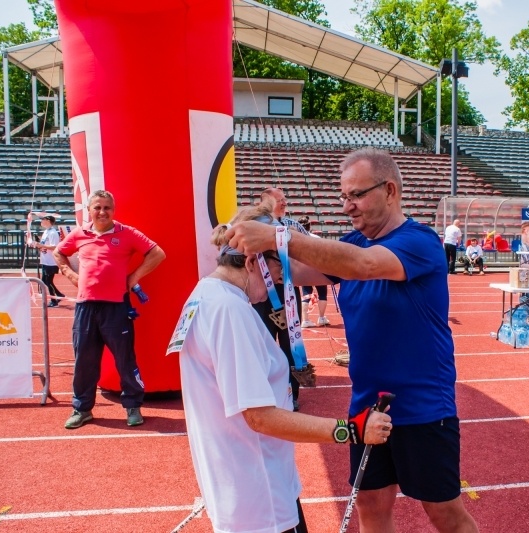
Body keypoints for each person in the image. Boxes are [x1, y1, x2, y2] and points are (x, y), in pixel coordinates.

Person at [225, 148, 479, 533]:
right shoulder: (351, 242)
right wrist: (246, 246)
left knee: (443, 513)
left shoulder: (420, 242)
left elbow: (363, 265)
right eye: (344, 196)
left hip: (423, 407)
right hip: (366, 404)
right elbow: (299, 270)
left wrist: (278, 235)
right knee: (370, 506)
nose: (348, 206)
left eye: (357, 195)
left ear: (390, 190)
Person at [172, 204, 392, 533]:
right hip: (259, 500)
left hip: (254, 485)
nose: (284, 277)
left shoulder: (208, 295)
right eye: (280, 266)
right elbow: (259, 416)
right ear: (251, 261)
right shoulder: (230, 311)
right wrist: (352, 430)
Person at [53, 190, 166, 429]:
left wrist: (133, 277)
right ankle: (82, 409)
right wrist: (70, 274)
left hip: (116, 308)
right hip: (85, 307)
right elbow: (59, 253)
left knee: (125, 360)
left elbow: (158, 253)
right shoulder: (80, 234)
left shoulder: (127, 233)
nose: (102, 212)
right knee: (84, 360)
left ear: (113, 210)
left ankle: (133, 407)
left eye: (107, 208)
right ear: (89, 210)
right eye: (97, 207)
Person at [253, 187, 312, 412]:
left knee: (290, 343)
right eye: (279, 200)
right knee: (263, 344)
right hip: (261, 295)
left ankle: (292, 393)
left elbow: (309, 253)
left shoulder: (293, 226)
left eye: (285, 199)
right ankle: (266, 392)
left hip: (287, 293)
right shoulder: (254, 226)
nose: (284, 203)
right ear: (264, 203)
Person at [296, 216, 330, 327]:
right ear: (309, 226)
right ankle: (321, 318)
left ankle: (305, 320)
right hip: (317, 269)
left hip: (303, 269)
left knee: (306, 294)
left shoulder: (295, 239)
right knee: (322, 294)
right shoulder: (316, 238)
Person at [32, 215, 66, 307]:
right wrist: (38, 244)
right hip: (45, 260)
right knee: (45, 280)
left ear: (48, 220)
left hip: (51, 261)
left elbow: (54, 246)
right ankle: (58, 295)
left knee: (48, 281)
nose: (41, 221)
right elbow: (44, 245)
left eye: (42, 219)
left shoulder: (52, 233)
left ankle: (54, 300)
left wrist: (41, 245)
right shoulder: (46, 232)